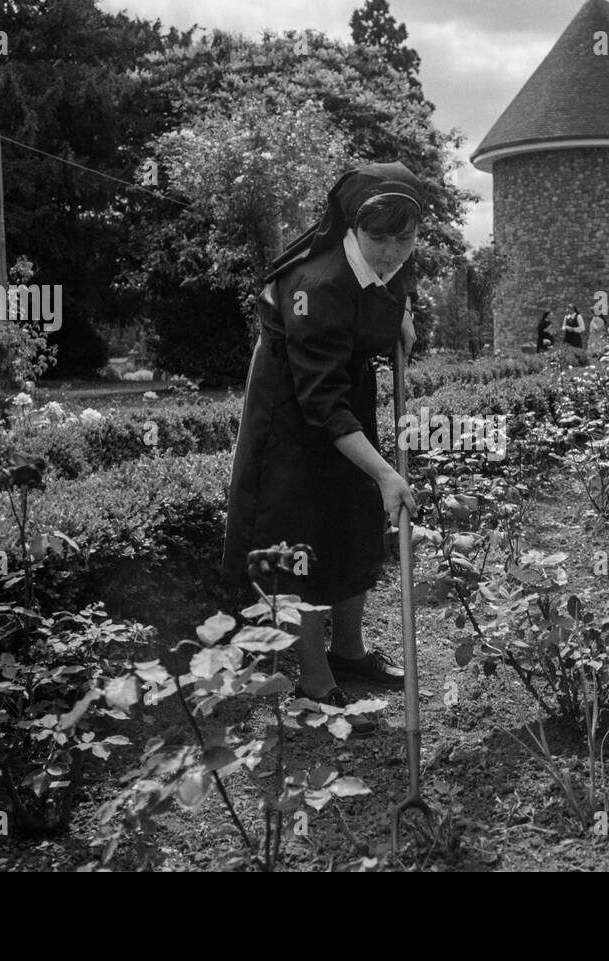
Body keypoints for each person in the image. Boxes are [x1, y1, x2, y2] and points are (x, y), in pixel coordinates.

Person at [222, 161, 424, 735]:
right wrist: (388, 473)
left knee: (353, 519)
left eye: (402, 240)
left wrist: (401, 317)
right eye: (378, 240)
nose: (390, 253)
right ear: (352, 230)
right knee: (301, 540)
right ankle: (314, 682)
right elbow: (319, 404)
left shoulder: (387, 263)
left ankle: (350, 653)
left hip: (344, 395)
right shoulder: (319, 284)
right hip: (293, 413)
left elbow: (390, 288)